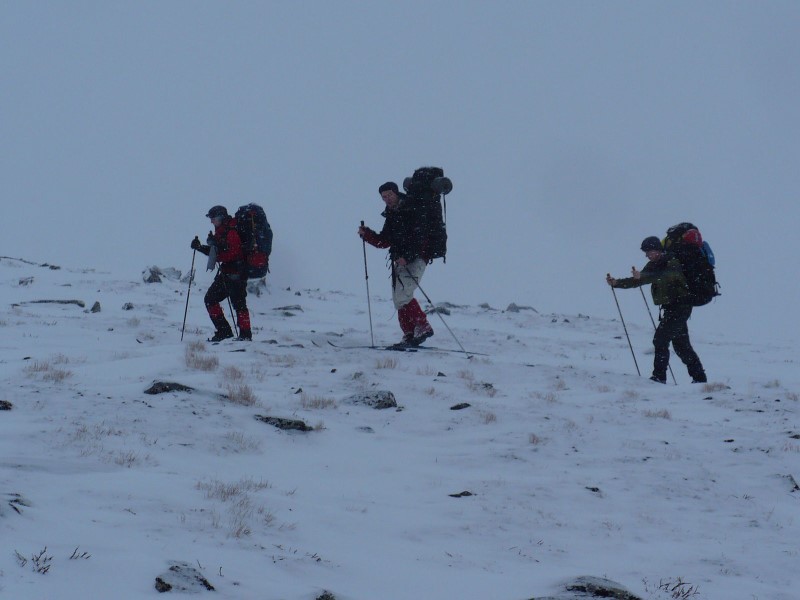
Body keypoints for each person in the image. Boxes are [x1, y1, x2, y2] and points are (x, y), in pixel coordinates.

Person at [606, 236, 707, 384]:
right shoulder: (653, 265)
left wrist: (643, 275)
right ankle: (700, 379)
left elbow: (663, 277)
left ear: (658, 250)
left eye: (650, 252)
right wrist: (616, 283)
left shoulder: (672, 262)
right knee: (681, 346)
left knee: (660, 339)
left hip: (681, 307)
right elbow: (639, 280)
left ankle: (659, 377)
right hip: (672, 309)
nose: (648, 255)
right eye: (646, 253)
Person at [358, 181, 435, 347]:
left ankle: (423, 326)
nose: (387, 199)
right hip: (400, 260)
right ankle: (409, 334)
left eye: (389, 195)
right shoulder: (391, 215)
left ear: (396, 192)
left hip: (416, 258)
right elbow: (384, 241)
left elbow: (421, 237)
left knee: (403, 295)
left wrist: (407, 256)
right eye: (383, 197)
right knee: (398, 299)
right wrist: (367, 235)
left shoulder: (411, 209)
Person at [190, 205, 252, 342]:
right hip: (230, 273)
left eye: (213, 218)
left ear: (221, 217)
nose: (211, 221)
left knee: (236, 304)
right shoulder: (222, 231)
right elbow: (219, 252)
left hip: (236, 273)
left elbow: (232, 254)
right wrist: (200, 247)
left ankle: (241, 335)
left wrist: (216, 249)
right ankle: (230, 333)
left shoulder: (231, 231)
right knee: (216, 300)